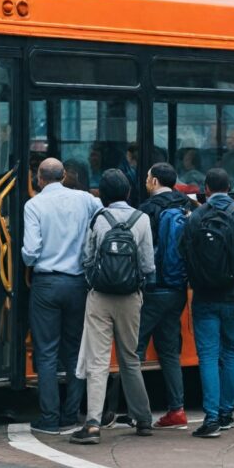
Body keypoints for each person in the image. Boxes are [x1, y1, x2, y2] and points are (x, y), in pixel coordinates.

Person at [71, 168, 155, 444]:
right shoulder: (142, 219)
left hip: (100, 297)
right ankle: (143, 419)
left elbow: (87, 257)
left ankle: (93, 424)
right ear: (128, 192)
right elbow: (148, 264)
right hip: (131, 298)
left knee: (98, 360)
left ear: (103, 194)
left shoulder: (99, 218)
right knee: (130, 358)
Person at [183, 168, 234, 437]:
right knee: (230, 351)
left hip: (205, 296)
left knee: (207, 355)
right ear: (229, 187)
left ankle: (211, 419)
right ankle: (227, 413)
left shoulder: (196, 216)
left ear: (206, 189)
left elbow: (185, 255)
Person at [22, 157, 101, 435]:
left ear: (39, 179)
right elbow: (104, 218)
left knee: (46, 352)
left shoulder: (34, 205)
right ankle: (70, 414)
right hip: (78, 283)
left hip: (47, 283)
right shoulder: (85, 200)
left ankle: (49, 417)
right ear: (64, 175)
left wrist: (28, 259)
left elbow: (31, 251)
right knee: (74, 351)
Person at [134, 162, 194, 429]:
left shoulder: (148, 209)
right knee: (169, 350)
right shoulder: (187, 205)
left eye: (148, 177)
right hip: (178, 289)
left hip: (154, 288)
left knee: (134, 349)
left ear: (155, 181)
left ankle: (138, 413)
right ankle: (177, 410)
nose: (146, 181)